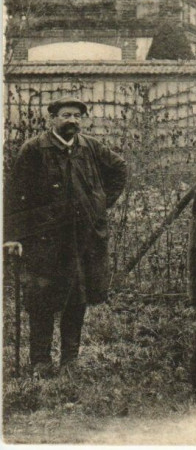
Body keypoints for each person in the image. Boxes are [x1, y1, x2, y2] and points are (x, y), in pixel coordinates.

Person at [3, 96, 127, 377]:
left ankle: (70, 360)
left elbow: (119, 168)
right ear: (52, 119)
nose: (72, 120)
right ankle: (40, 361)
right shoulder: (34, 149)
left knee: (77, 299)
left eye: (77, 116)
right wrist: (12, 235)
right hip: (45, 241)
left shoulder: (90, 147)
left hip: (83, 239)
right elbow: (13, 196)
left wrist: (100, 203)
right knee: (42, 301)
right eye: (66, 115)